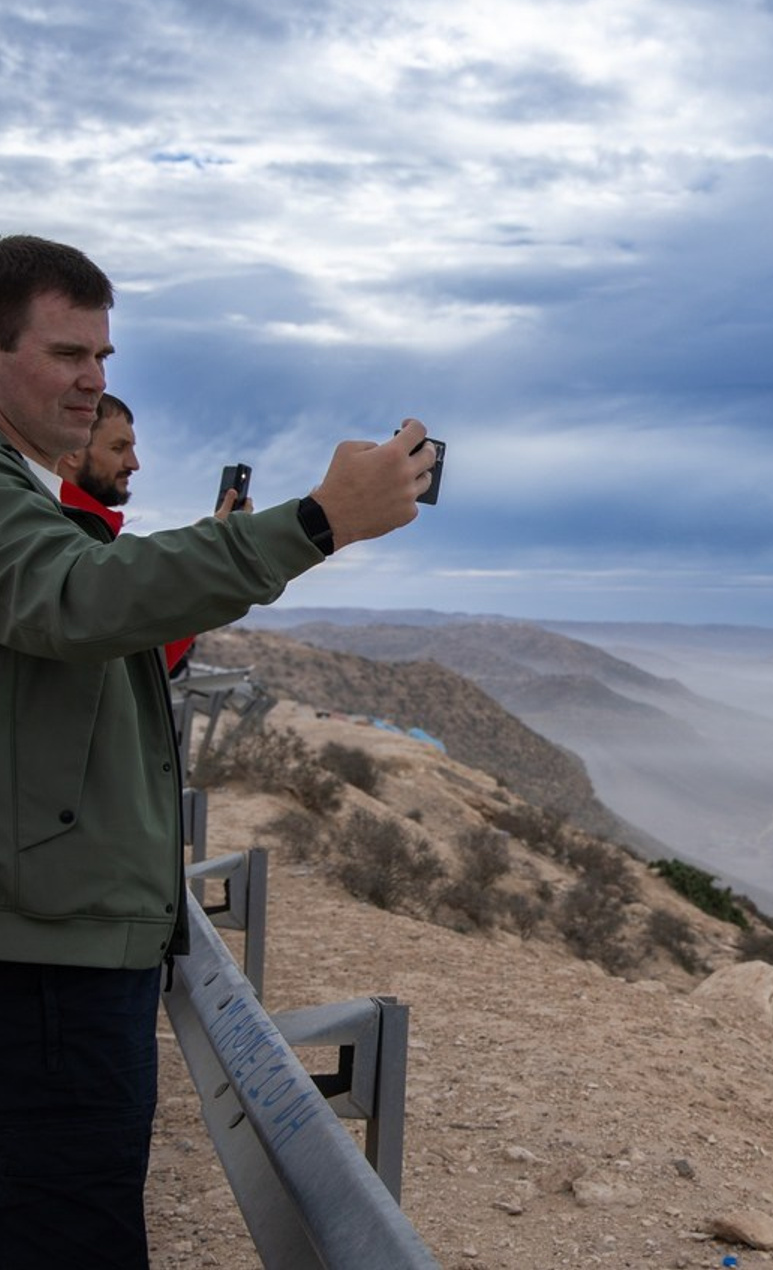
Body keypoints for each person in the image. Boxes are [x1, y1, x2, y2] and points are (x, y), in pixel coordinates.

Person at [0, 233, 438, 1268]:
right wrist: (317, 522)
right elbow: (84, 596)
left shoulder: (29, 492)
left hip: (61, 940)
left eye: (103, 356)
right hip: (45, 963)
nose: (95, 382)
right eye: (67, 354)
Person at [54, 392, 229, 676]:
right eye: (118, 448)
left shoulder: (88, 535)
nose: (134, 464)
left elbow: (145, 664)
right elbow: (129, 675)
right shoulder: (65, 538)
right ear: (72, 452)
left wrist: (206, 549)